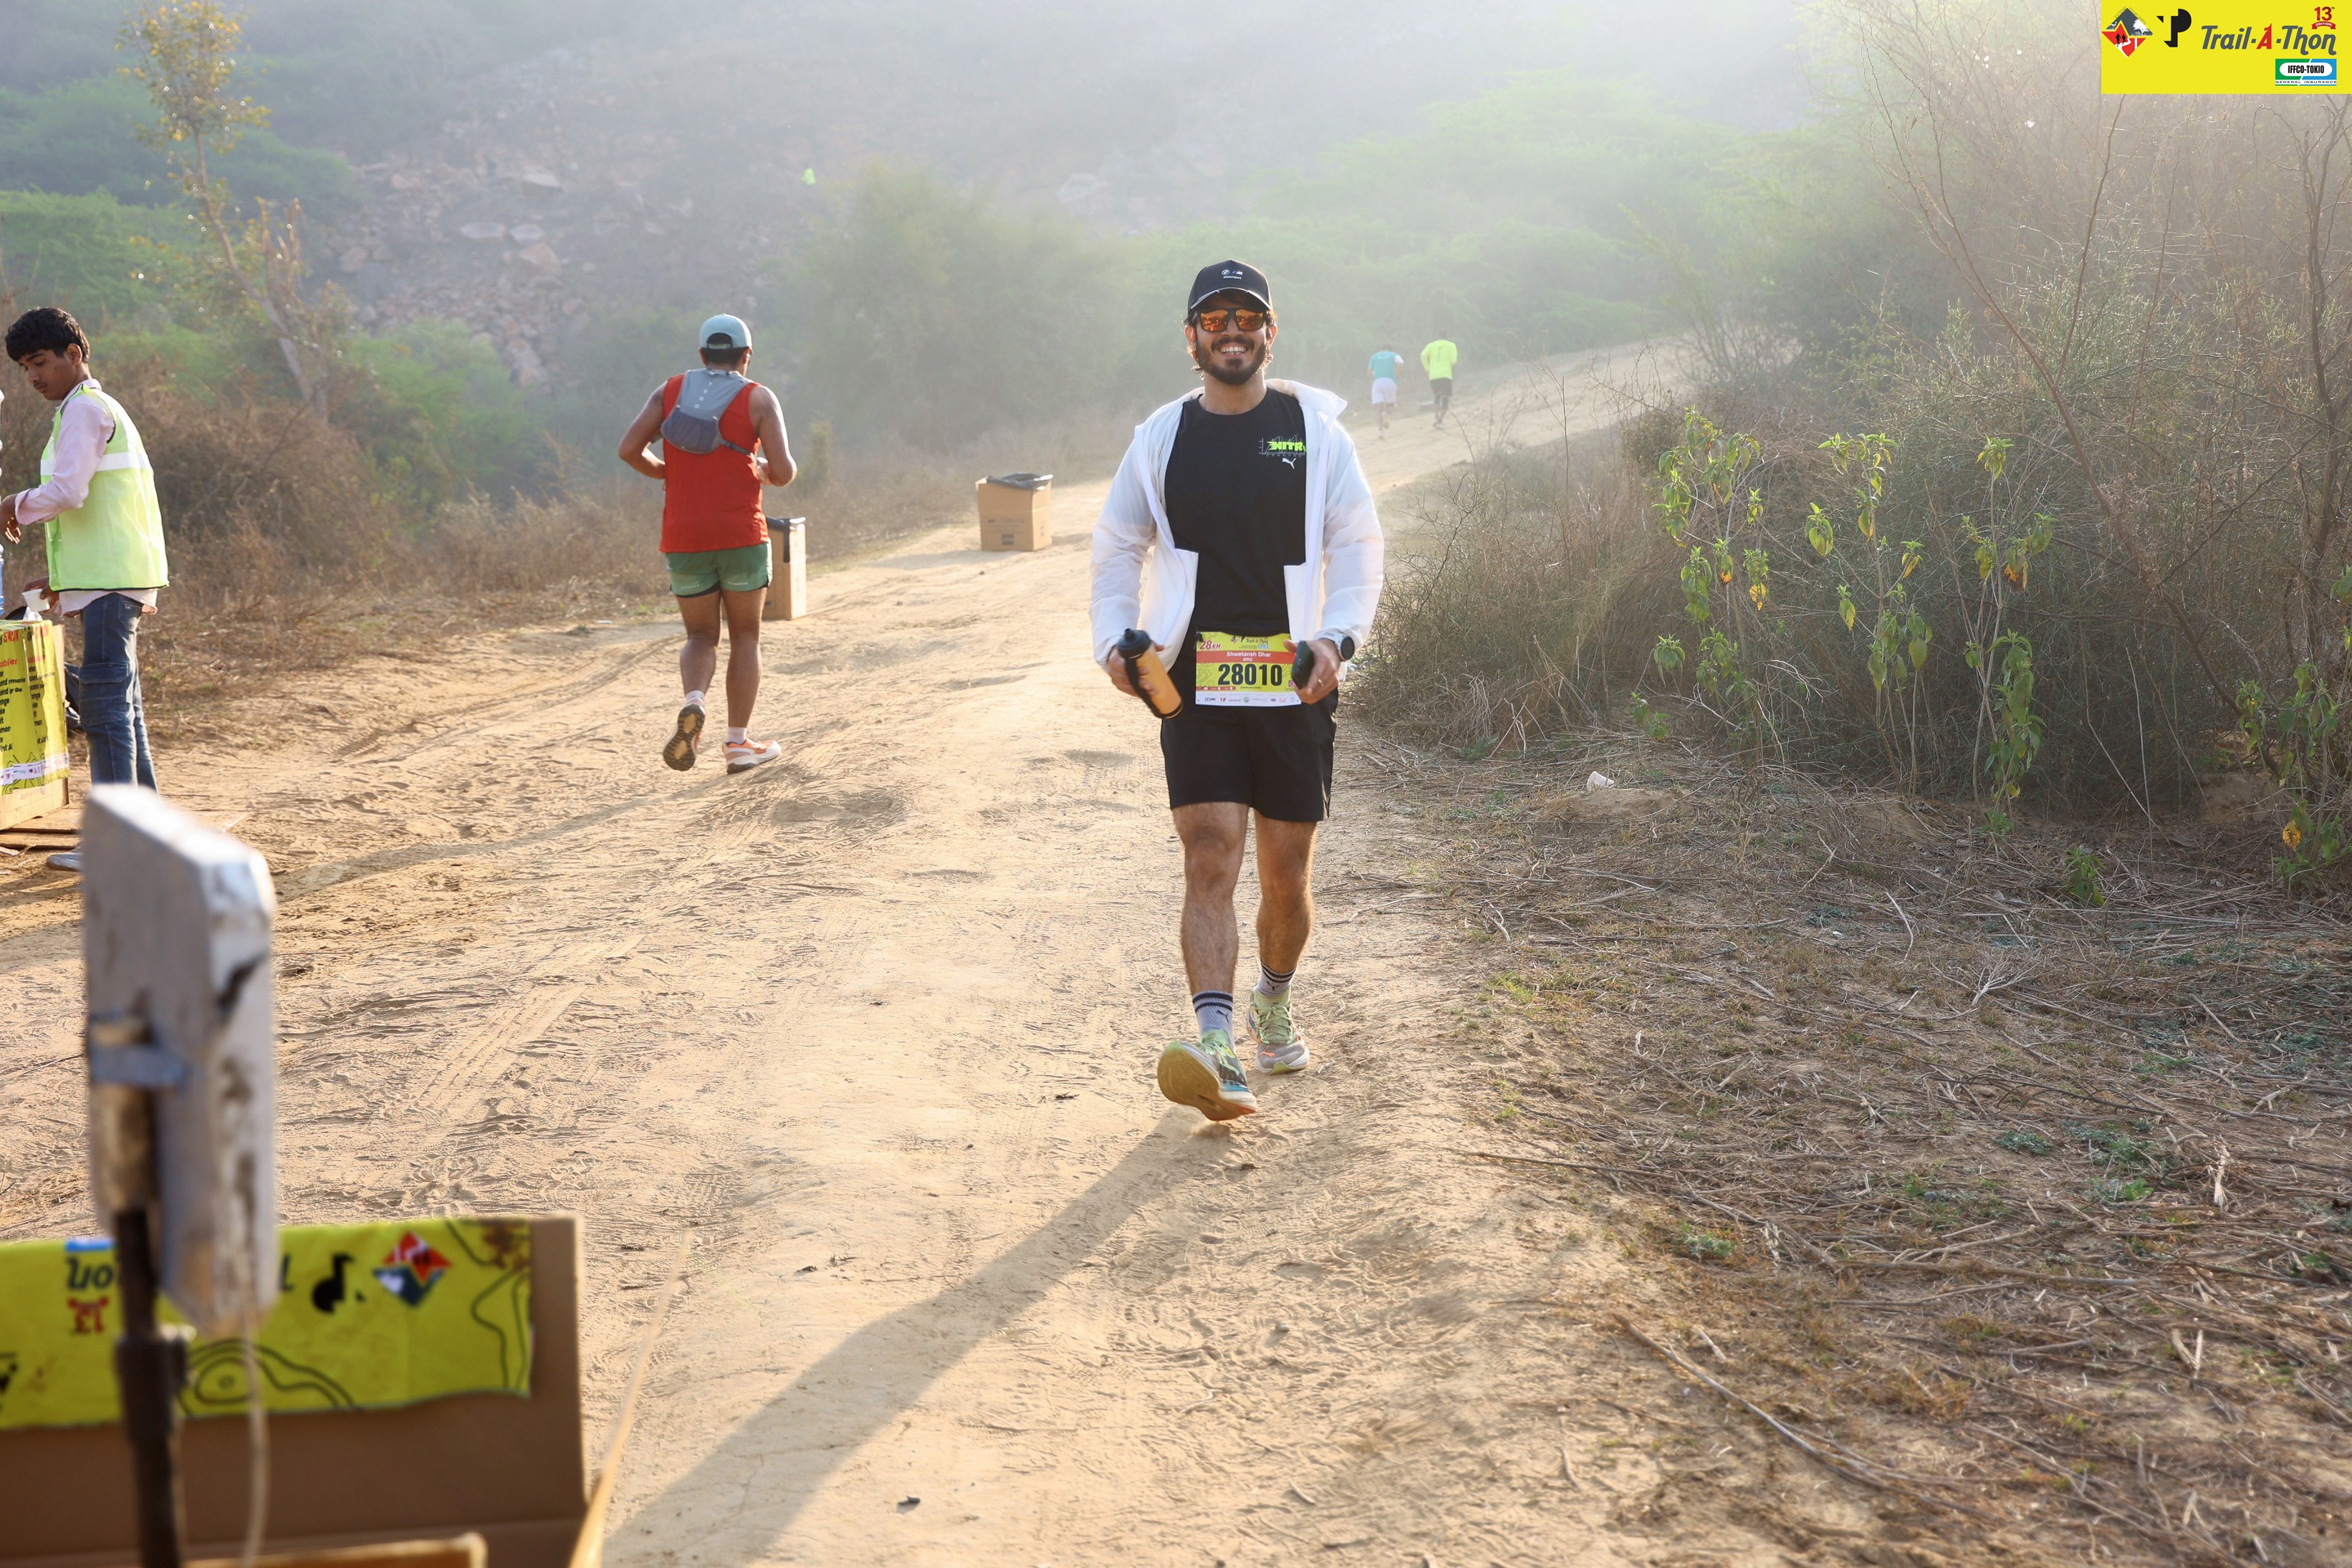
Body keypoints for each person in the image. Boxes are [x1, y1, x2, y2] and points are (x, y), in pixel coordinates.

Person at [1091, 260, 1384, 1122]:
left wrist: (1337, 637)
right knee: (1210, 856)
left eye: (1246, 317)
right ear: (1190, 338)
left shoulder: (1314, 432)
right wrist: (1114, 640)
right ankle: (1216, 1046)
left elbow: (1358, 542)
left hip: (1294, 679)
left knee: (1286, 879)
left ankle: (1273, 999)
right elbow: (1117, 544)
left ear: (1270, 332)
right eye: (1214, 318)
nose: (1231, 331)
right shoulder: (1161, 437)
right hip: (1196, 683)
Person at [1, 307, 170, 873]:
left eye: (39, 362)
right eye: (25, 368)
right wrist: (62, 578)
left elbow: (68, 491)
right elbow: (101, 507)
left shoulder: (84, 410)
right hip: (111, 577)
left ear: (74, 354)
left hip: (109, 584)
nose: (32, 377)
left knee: (105, 710)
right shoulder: (93, 409)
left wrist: (12, 504)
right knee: (123, 708)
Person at [617, 314, 796, 774]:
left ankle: (694, 701)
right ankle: (738, 744)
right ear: (746, 354)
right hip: (740, 535)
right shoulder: (759, 398)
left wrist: (666, 472)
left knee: (700, 637)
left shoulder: (669, 391)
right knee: (746, 636)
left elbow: (628, 450)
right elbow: (784, 471)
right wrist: (764, 471)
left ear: (702, 354)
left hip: (684, 537)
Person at [1421, 333, 1459, 429]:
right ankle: (1440, 421)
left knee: (1437, 396)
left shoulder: (1431, 345)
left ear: (1438, 337)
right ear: (1447, 337)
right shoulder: (1451, 345)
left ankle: (1436, 416)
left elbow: (1423, 355)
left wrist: (1428, 368)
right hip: (1445, 375)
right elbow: (1453, 361)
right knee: (1445, 398)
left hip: (1433, 375)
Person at [1365, 345, 1403, 437]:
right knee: (1391, 405)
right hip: (1390, 381)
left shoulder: (1374, 356)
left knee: (1378, 408)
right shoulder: (1394, 355)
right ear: (1390, 350)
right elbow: (1400, 364)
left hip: (1377, 383)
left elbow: (1369, 373)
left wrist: (1375, 375)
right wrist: (1397, 376)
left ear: (1382, 350)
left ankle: (1380, 431)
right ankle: (1386, 414)